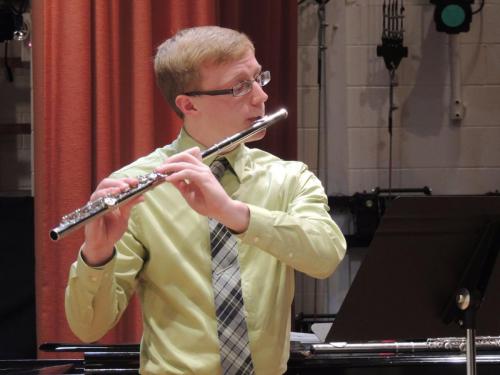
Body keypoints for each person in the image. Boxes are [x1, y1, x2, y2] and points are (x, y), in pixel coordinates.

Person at [65, 25, 346, 375]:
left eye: (259, 79)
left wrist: (234, 214)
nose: (260, 97)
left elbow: (326, 256)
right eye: (241, 86)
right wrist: (96, 256)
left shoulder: (289, 177)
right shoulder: (136, 187)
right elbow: (89, 325)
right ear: (188, 104)